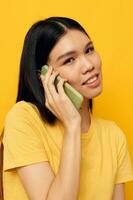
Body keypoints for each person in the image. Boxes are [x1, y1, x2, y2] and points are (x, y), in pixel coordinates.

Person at [1, 16, 133, 200]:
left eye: (89, 50)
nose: (89, 65)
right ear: (45, 76)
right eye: (69, 60)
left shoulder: (114, 136)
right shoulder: (23, 118)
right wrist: (72, 125)